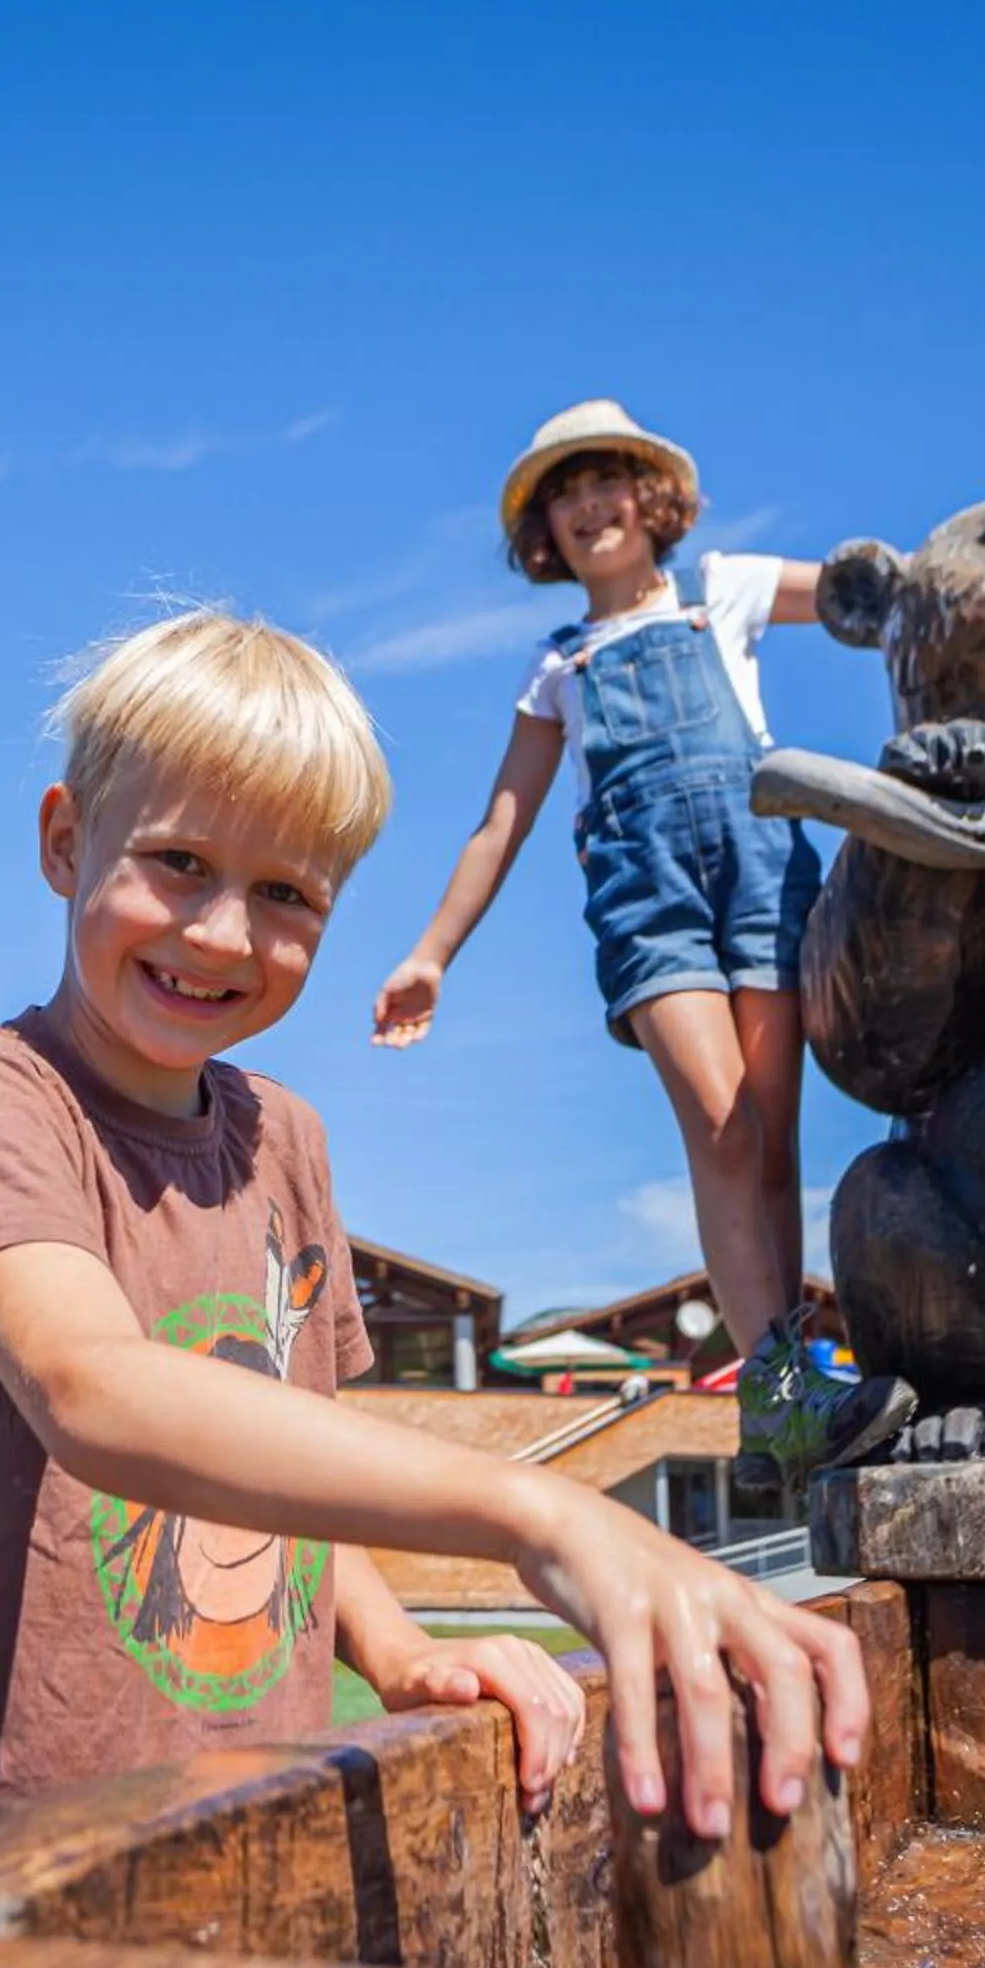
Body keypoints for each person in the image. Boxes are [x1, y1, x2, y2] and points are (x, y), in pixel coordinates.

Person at [0, 608, 869, 1852]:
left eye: (284, 893)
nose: (220, 933)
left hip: (248, 1825)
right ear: (65, 840)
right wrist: (542, 1510)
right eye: (176, 862)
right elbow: (91, 1389)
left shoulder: (286, 1140)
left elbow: (287, 1468)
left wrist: (397, 1647)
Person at [372, 401, 917, 1478]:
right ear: (546, 534)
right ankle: (778, 1381)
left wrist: (943, 577)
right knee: (718, 1127)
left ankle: (784, 1401)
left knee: (770, 1140)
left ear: (649, 497)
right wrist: (431, 951)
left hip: (765, 869)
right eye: (562, 495)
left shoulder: (729, 590)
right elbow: (503, 820)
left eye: (602, 482)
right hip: (646, 895)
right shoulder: (558, 665)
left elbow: (872, 593)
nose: (585, 506)